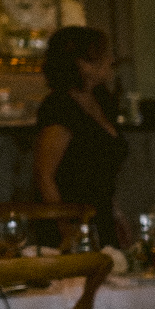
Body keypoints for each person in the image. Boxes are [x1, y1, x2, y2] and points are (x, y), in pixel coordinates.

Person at [34, 26, 126, 248]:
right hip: (72, 217)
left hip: (100, 213)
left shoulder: (101, 99)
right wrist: (66, 228)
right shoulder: (60, 107)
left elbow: (103, 174)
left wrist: (117, 215)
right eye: (102, 56)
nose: (110, 59)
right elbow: (45, 176)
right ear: (81, 64)